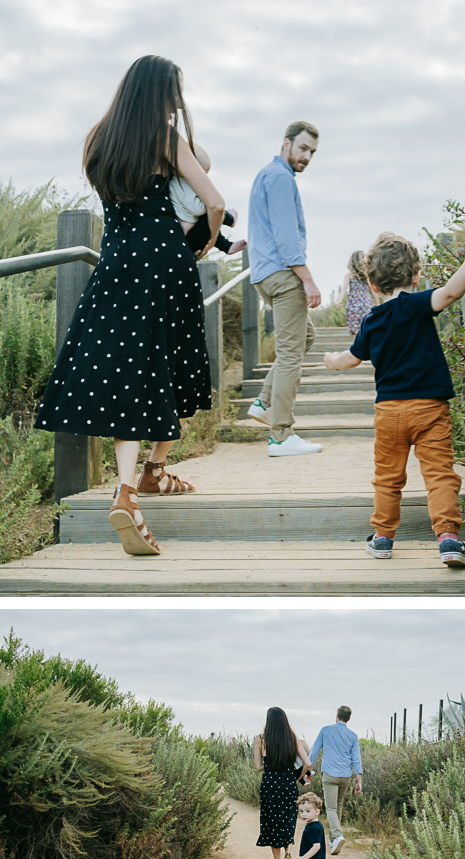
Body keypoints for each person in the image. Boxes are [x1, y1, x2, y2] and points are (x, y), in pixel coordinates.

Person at [34, 55, 227, 556]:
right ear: (167, 94)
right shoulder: (165, 139)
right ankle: (148, 475)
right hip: (164, 261)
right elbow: (215, 199)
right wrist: (206, 240)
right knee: (177, 365)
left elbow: (182, 163)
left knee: (129, 373)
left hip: (118, 262)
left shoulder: (99, 139)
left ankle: (135, 484)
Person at [323, 229, 465, 567]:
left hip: (389, 412)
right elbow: (449, 294)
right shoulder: (415, 304)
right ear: (417, 276)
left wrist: (330, 360)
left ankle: (383, 538)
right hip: (430, 408)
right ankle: (448, 538)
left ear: (372, 285)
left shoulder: (371, 320)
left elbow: (350, 358)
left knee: (387, 476)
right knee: (439, 474)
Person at [245, 122, 324, 457]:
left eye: (312, 153)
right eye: (303, 148)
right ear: (286, 144)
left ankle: (264, 402)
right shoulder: (279, 177)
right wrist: (307, 279)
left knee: (305, 338)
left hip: (266, 274)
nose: (307, 157)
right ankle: (281, 435)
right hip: (283, 273)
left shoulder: (269, 175)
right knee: (292, 354)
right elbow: (286, 234)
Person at [254, 707, 312, 859]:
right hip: (288, 785)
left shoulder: (260, 739)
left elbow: (258, 767)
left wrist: (270, 765)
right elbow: (307, 763)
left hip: (270, 785)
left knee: (272, 824)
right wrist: (297, 776)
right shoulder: (292, 738)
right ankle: (288, 853)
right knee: (288, 820)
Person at [169, 144, 247, 257]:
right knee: (211, 212)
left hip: (187, 234)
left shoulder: (178, 182)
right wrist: (221, 212)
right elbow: (198, 209)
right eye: (199, 172)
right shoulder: (182, 184)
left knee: (211, 217)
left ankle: (225, 245)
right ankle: (229, 219)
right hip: (189, 237)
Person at [309, 705, 362, 855]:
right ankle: (333, 840)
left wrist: (308, 770)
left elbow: (314, 752)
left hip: (330, 775)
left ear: (336, 716)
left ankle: (338, 835)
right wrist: (359, 781)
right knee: (338, 806)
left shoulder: (326, 730)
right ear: (349, 719)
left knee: (331, 808)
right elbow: (356, 759)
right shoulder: (352, 735)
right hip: (345, 776)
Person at [337, 251, 375, 339]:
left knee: (355, 331)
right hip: (367, 304)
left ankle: (357, 350)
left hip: (353, 305)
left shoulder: (349, 276)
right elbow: (374, 292)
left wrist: (340, 300)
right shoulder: (368, 276)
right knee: (368, 329)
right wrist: (377, 305)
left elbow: (344, 288)